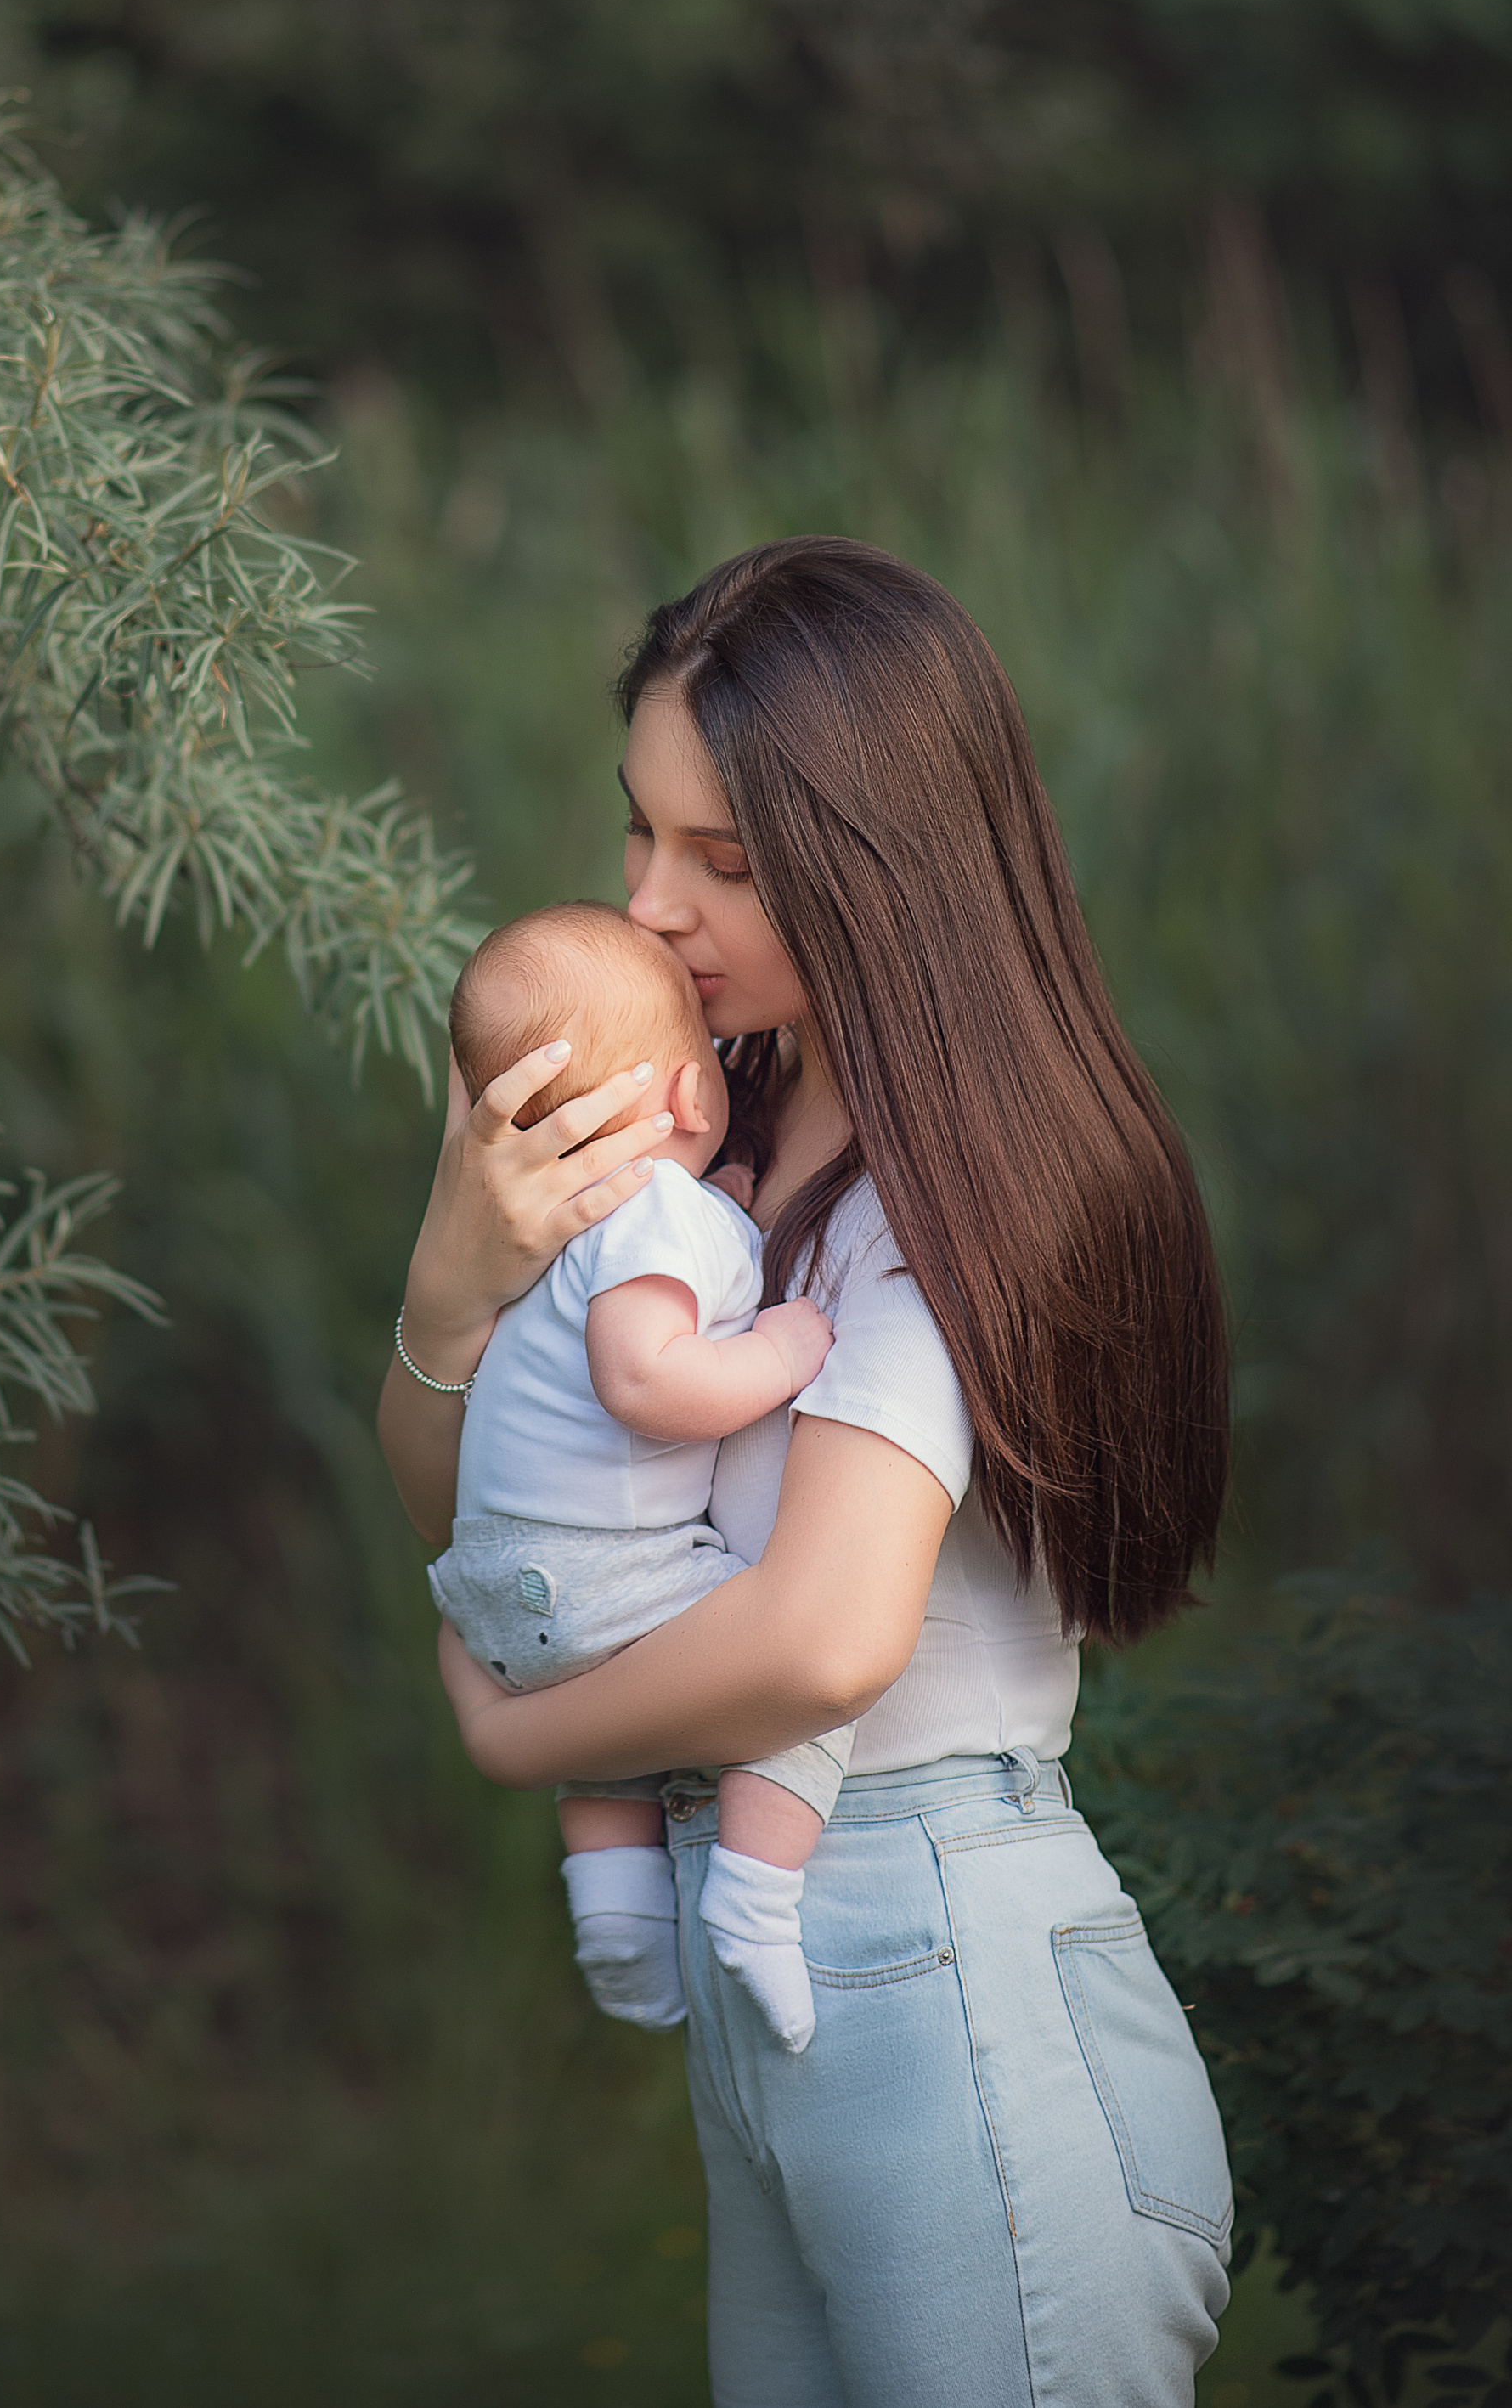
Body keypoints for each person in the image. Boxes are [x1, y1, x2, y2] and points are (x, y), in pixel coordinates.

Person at [377, 538, 1234, 2408]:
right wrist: (451, 1284)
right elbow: (491, 1525)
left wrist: (530, 1741)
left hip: (949, 1970)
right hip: (777, 1972)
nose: (647, 905)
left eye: (724, 861)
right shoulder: (707, 1134)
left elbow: (827, 1635)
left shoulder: (959, 1200)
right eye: (636, 838)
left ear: (876, 859)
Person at [431, 898, 848, 2049]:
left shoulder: (569, 1225)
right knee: (794, 1699)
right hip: (598, 1574)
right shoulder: (664, 1211)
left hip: (501, 1598)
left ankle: (615, 1918)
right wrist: (781, 1348)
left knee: (604, 1727)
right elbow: (644, 1378)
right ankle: (758, 1906)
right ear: (687, 1094)